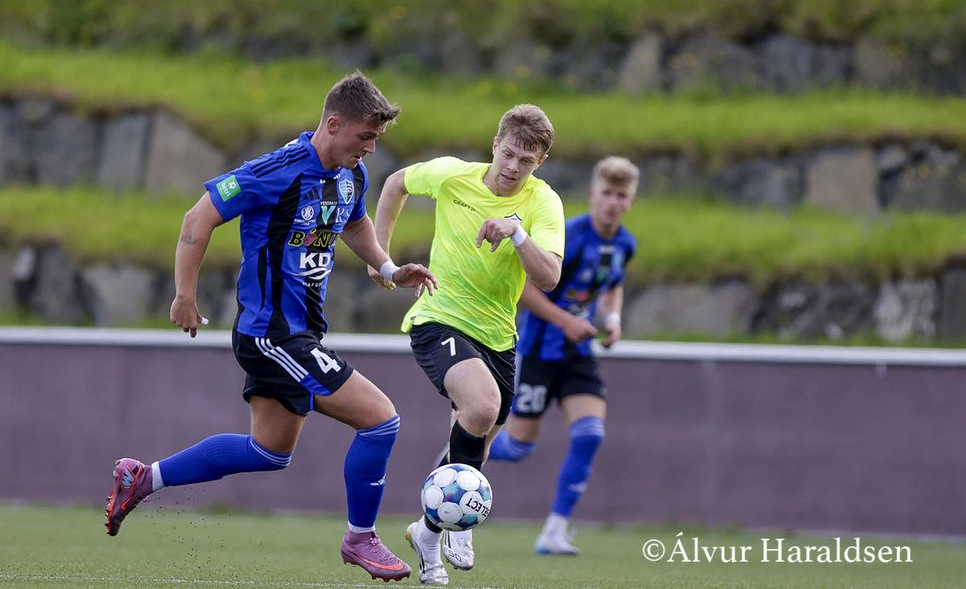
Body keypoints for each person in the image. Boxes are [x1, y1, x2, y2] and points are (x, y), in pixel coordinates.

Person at [104, 71, 438, 583]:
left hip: (300, 334)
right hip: (271, 334)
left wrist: (389, 269)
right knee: (381, 420)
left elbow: (353, 223)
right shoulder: (275, 169)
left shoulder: (351, 175)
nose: (371, 148)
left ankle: (142, 478)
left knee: (269, 452)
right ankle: (360, 538)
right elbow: (198, 218)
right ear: (333, 124)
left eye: (376, 138)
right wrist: (185, 295)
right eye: (365, 136)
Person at [370, 104, 565, 585]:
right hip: (438, 316)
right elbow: (395, 183)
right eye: (508, 154)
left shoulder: (543, 202)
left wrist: (517, 231)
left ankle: (427, 534)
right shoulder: (453, 175)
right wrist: (380, 258)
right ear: (495, 145)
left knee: (477, 438)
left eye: (526, 161)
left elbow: (549, 277)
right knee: (481, 407)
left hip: (498, 337)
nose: (513, 167)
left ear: (540, 162)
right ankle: (461, 523)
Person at [487, 156, 638, 555]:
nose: (614, 202)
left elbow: (612, 284)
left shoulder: (625, 244)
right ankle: (462, 448)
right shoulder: (570, 235)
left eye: (622, 196)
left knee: (590, 434)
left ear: (631, 201)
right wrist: (566, 321)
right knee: (517, 448)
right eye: (607, 193)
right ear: (593, 195)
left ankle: (554, 531)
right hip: (539, 350)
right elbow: (525, 287)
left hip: (577, 354)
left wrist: (612, 319)